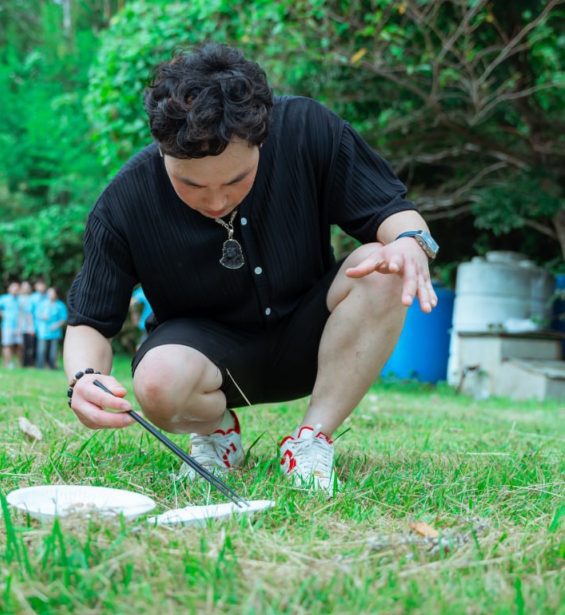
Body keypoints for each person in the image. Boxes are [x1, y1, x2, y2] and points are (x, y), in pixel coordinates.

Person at [64, 43, 439, 494]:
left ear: (261, 137)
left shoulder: (307, 129)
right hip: (206, 358)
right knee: (158, 380)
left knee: (385, 263)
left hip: (312, 334)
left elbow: (391, 211)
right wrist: (83, 381)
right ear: (163, 152)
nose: (217, 201)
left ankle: (310, 439)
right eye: (192, 185)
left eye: (236, 180)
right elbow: (89, 320)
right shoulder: (125, 201)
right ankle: (218, 432)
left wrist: (412, 243)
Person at [34, 287, 67, 369]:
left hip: (55, 331)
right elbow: (36, 314)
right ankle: (40, 366)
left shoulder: (60, 305)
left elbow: (64, 318)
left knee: (53, 351)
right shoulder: (42, 303)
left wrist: (57, 325)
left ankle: (52, 366)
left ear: (56, 294)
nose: (51, 295)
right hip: (43, 331)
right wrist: (42, 316)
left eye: (53, 293)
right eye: (49, 293)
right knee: (41, 350)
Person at [0, 282, 22, 367]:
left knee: (19, 345)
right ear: (9, 289)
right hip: (7, 325)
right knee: (7, 344)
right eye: (13, 288)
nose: (15, 290)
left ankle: (19, 363)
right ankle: (7, 362)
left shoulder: (21, 299)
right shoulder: (4, 298)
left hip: (19, 326)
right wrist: (2, 314)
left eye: (17, 289)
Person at [18, 281, 36, 367]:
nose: (26, 289)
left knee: (31, 346)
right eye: (24, 287)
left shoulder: (33, 298)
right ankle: (24, 363)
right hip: (23, 326)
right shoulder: (19, 299)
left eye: (27, 286)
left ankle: (31, 363)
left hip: (33, 326)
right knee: (23, 346)